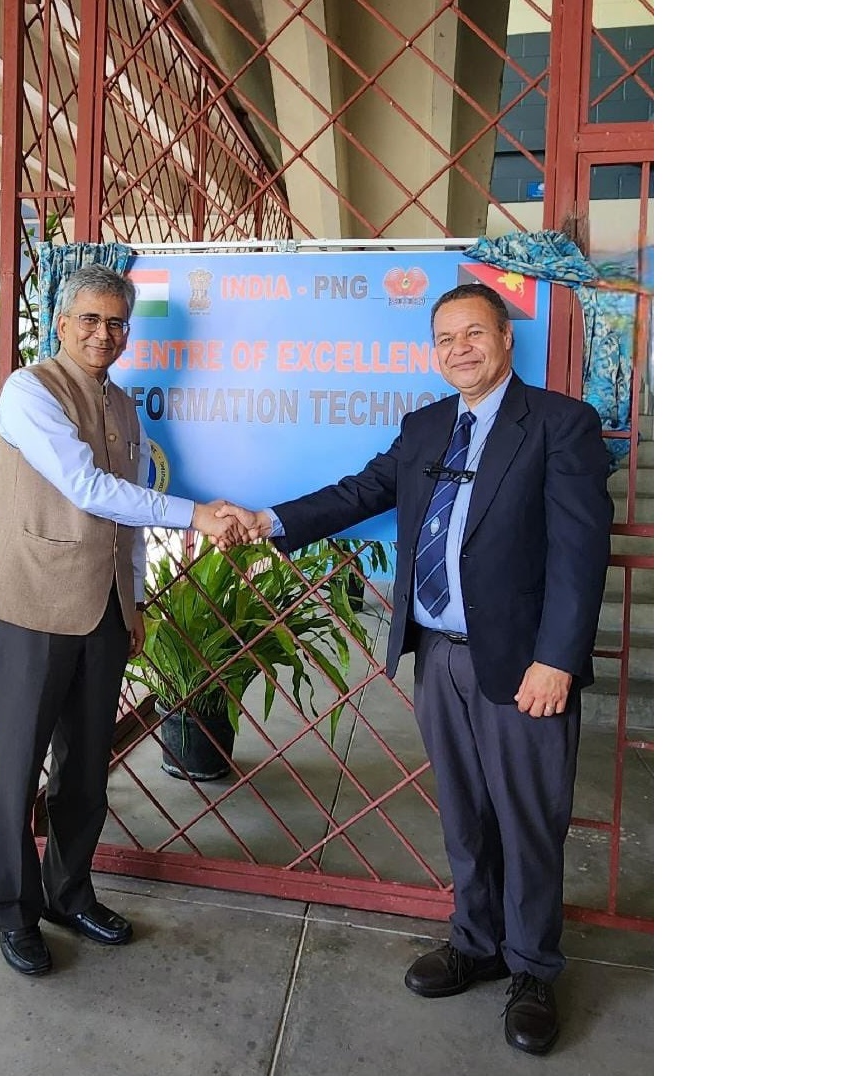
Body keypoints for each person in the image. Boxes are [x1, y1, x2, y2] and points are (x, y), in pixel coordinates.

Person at [217, 282, 613, 1055]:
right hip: (438, 655)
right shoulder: (426, 426)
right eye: (445, 339)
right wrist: (270, 521)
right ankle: (476, 940)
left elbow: (579, 553)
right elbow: (362, 491)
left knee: (529, 821)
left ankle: (533, 967)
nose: (459, 348)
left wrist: (556, 660)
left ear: (504, 339)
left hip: (524, 666)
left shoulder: (561, 425)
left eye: (474, 333)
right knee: (464, 813)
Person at [0, 263, 246, 977]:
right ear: (62, 323)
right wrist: (196, 513)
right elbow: (87, 488)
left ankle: (69, 893)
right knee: (17, 773)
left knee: (86, 769)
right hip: (31, 605)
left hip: (102, 613)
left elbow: (125, 521)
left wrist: (134, 602)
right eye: (90, 319)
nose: (104, 334)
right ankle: (14, 911)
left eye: (117, 323)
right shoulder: (29, 391)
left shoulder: (124, 408)